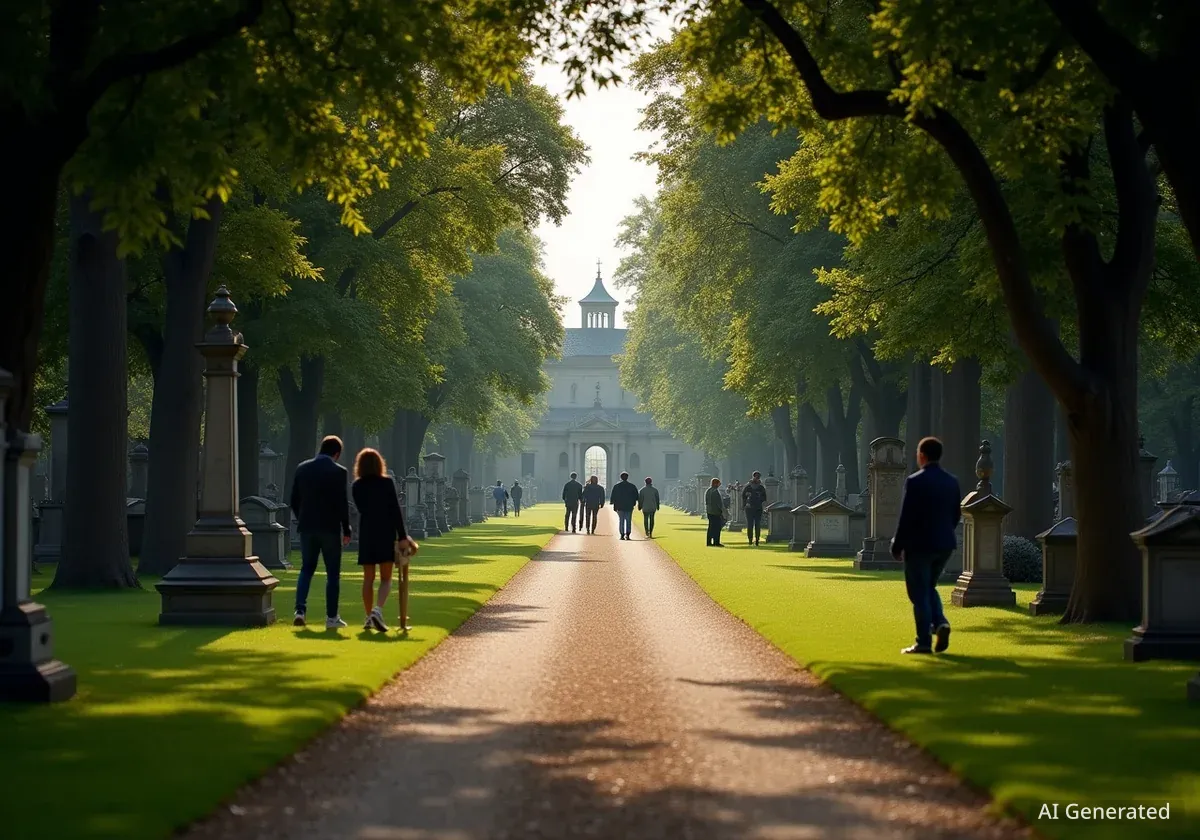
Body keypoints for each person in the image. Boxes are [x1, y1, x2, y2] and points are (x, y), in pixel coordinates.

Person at [891, 436, 962, 655]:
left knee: (919, 593)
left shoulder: (915, 481)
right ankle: (940, 623)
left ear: (922, 456)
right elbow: (955, 515)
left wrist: (897, 544)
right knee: (928, 588)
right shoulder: (952, 481)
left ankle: (923, 642)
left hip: (919, 545)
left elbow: (907, 517)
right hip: (944, 544)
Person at [351, 448, 419, 633]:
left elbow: (361, 508)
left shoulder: (357, 485)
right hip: (385, 532)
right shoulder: (387, 483)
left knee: (368, 578)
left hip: (366, 533)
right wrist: (403, 536)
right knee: (386, 578)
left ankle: (368, 617)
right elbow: (395, 511)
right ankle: (377, 610)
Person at [290, 435, 352, 628]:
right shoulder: (339, 472)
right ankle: (331, 617)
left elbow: (294, 499)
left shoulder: (302, 468)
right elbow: (342, 503)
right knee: (332, 573)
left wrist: (302, 517)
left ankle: (300, 609)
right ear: (337, 453)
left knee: (306, 568)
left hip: (307, 526)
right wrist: (346, 527)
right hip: (330, 527)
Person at [610, 471, 639, 540]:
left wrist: (614, 504)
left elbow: (613, 496)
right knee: (628, 521)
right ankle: (628, 534)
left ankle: (622, 534)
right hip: (629, 506)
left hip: (620, 506)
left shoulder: (617, 486)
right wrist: (633, 502)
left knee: (621, 521)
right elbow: (636, 496)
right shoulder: (632, 486)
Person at [742, 471, 768, 546]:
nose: (756, 478)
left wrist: (760, 500)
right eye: (755, 476)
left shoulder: (761, 487)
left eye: (758, 477)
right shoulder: (748, 486)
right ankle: (750, 539)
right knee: (750, 524)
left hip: (758, 508)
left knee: (757, 524)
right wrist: (745, 504)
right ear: (753, 477)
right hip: (749, 508)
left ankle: (757, 539)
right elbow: (743, 496)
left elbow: (764, 498)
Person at [705, 477, 727, 547]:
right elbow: (718, 503)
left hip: (709, 511)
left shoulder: (708, 491)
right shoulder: (715, 491)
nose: (719, 485)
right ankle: (716, 542)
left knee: (711, 527)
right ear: (715, 484)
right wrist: (722, 511)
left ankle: (709, 542)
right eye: (718, 484)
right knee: (717, 528)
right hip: (715, 512)